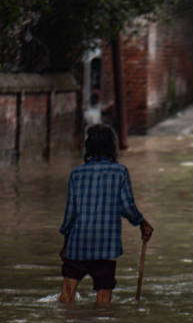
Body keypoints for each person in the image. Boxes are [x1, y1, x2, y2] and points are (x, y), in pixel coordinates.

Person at [58, 125, 154, 303]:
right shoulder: (120, 172)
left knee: (66, 297)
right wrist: (142, 223)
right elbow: (127, 207)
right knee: (103, 300)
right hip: (106, 246)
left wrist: (65, 244)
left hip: (77, 244)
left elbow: (70, 214)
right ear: (112, 147)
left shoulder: (76, 174)